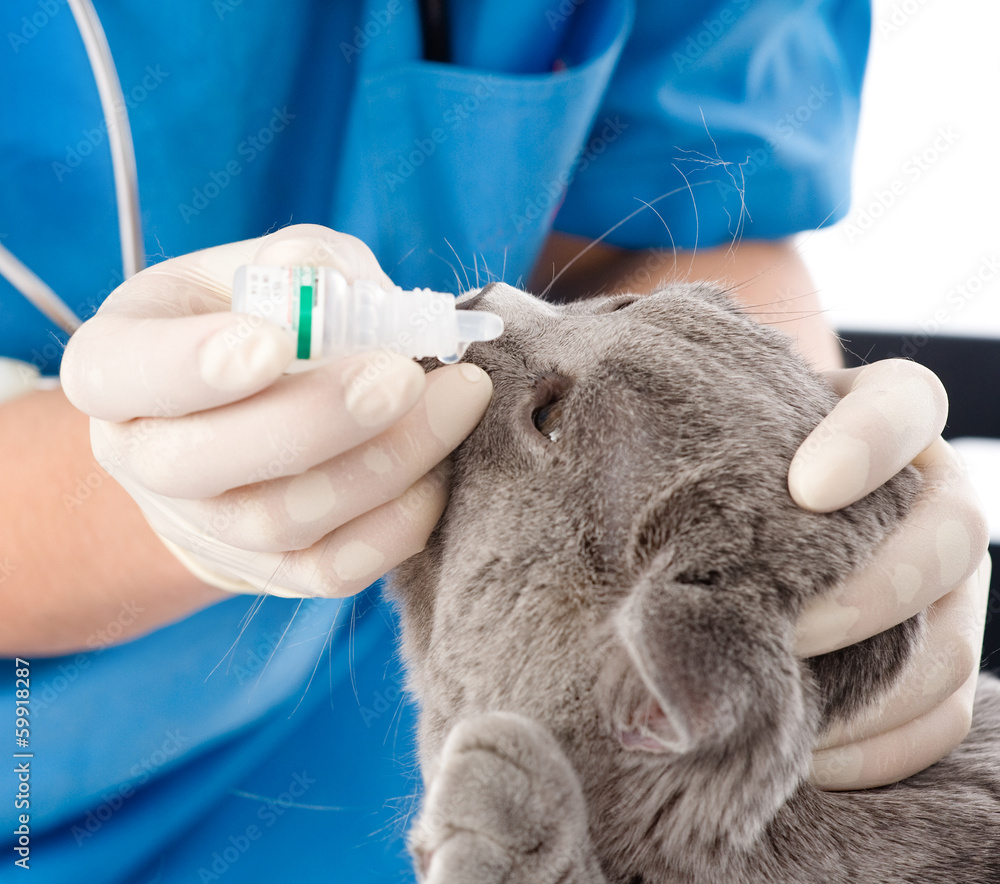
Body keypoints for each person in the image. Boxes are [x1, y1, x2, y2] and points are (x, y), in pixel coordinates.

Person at [0, 1, 989, 881]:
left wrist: (792, 476)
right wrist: (141, 483)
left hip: (444, 724)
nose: (504, 303)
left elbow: (688, 207)